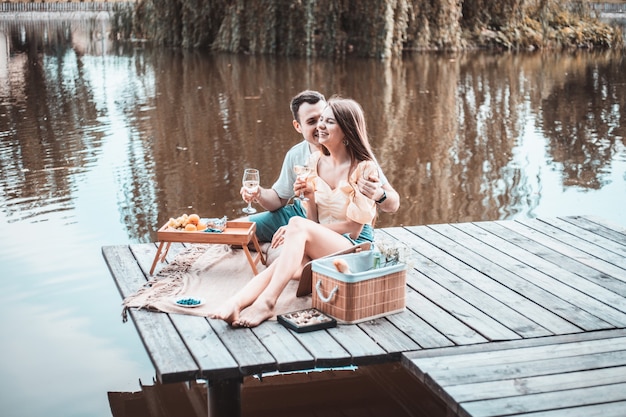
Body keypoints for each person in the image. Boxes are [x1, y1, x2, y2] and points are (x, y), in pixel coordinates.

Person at [213, 96, 388, 327]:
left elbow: (354, 229)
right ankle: (237, 302)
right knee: (285, 262)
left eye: (329, 122)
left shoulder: (364, 168)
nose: (320, 127)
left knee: (296, 225)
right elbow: (312, 220)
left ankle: (267, 302)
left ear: (347, 130)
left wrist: (302, 228)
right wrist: (310, 197)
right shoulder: (314, 162)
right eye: (319, 121)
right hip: (325, 244)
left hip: (354, 249)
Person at [242, 90, 400, 244]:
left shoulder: (359, 160)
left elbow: (393, 204)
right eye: (312, 121)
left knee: (292, 251)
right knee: (236, 231)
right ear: (298, 126)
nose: (320, 126)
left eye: (326, 119)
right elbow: (278, 199)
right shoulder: (297, 154)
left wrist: (379, 195)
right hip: (299, 214)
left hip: (339, 227)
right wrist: (258, 193)